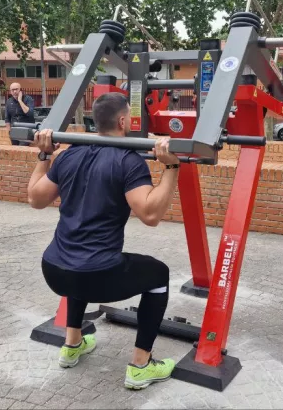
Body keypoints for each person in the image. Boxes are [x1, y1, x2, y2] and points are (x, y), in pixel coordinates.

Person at [27, 92, 181, 390]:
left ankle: (72, 345)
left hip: (54, 270)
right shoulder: (128, 161)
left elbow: (35, 199)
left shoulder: (68, 155)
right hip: (99, 276)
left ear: (95, 121)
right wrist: (172, 168)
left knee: (79, 262)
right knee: (159, 274)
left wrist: (44, 156)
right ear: (123, 121)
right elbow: (150, 215)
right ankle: (141, 365)